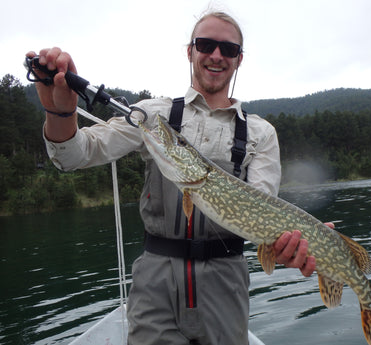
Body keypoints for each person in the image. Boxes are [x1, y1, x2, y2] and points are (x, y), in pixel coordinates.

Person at [27, 10, 325, 345]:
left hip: (226, 284)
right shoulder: (155, 116)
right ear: (190, 51)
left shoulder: (260, 133)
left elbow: (263, 212)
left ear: (238, 59)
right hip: (155, 281)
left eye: (227, 49)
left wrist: (282, 245)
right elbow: (75, 155)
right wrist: (60, 110)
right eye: (206, 44)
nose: (215, 55)